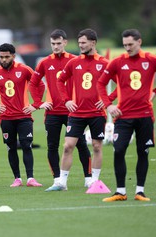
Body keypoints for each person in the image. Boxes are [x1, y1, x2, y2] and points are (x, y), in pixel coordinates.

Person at [97, 29, 156, 201]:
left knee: (143, 152)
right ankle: (120, 192)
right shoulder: (117, 62)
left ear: (139, 42)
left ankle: (140, 191)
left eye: (130, 44)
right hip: (123, 116)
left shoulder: (151, 59)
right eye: (125, 45)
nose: (127, 48)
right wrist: (108, 105)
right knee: (118, 150)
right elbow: (100, 83)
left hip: (145, 115)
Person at [44, 29, 109, 191]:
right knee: (67, 146)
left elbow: (121, 82)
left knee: (96, 146)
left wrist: (108, 100)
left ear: (93, 43)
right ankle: (61, 183)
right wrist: (66, 100)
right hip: (76, 113)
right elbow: (60, 81)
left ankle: (93, 181)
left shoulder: (104, 63)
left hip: (97, 113)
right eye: (79, 43)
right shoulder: (73, 62)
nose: (80, 46)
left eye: (83, 43)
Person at [29, 29, 93, 189]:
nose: (55, 47)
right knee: (52, 146)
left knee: (81, 145)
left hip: (73, 112)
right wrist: (38, 102)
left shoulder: (75, 60)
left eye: (58, 43)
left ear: (65, 42)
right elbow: (33, 83)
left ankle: (88, 178)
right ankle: (58, 180)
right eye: (53, 44)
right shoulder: (44, 62)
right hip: (52, 113)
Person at [0, 43, 43, 187]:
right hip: (6, 118)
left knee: (27, 145)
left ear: (13, 56)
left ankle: (30, 178)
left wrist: (35, 104)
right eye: (1, 57)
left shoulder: (24, 70)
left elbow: (39, 84)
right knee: (11, 147)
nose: (3, 60)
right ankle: (17, 179)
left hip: (24, 116)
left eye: (7, 57)